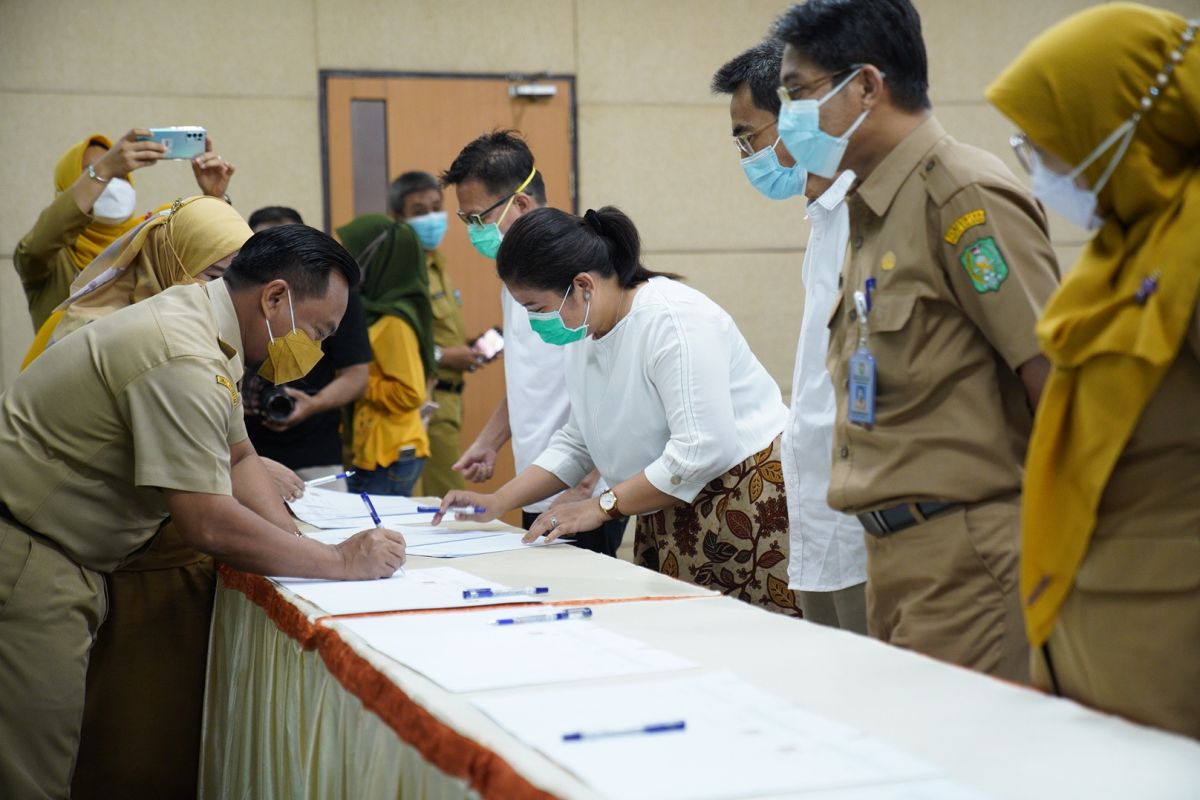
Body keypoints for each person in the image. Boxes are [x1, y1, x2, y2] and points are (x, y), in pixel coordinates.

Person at [0, 223, 406, 799]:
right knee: (31, 772)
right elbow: (206, 520)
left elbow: (239, 455)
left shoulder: (205, 327)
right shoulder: (182, 352)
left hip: (60, 551)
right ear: (274, 297)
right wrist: (337, 563)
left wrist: (292, 539)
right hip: (30, 555)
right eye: (318, 331)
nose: (315, 351)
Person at [772, 0, 1061, 680]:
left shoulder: (961, 195)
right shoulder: (872, 207)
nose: (791, 122)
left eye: (800, 94)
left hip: (968, 553)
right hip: (892, 557)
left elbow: (1054, 380)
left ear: (867, 86)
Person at [988, 6, 1200, 737]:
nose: (1036, 163)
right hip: (1086, 640)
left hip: (1166, 651)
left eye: (1045, 141)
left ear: (1122, 126)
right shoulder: (1117, 256)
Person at [435, 206, 795, 614]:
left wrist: (600, 506)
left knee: (744, 639)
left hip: (743, 499)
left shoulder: (673, 321)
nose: (535, 322)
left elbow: (703, 448)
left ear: (583, 285)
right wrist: (499, 501)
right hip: (664, 503)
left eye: (537, 307)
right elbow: (578, 441)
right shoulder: (586, 331)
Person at [18, 195, 254, 799]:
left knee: (150, 743)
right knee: (67, 754)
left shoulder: (197, 330)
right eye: (216, 275)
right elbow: (203, 508)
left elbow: (235, 453)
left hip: (130, 559)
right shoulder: (150, 337)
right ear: (170, 261)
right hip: (85, 560)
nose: (230, 292)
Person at [713, 40, 867, 632]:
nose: (746, 153)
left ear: (799, 118)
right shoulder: (824, 217)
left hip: (863, 513)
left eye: (748, 134)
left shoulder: (865, 213)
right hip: (818, 510)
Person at [441, 131, 625, 556]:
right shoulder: (517, 276)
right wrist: (490, 440)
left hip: (583, 490)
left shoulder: (577, 276)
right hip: (538, 481)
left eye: (477, 218)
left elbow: (616, 391)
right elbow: (531, 374)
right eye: (465, 221)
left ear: (519, 204)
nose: (473, 231)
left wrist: (584, 486)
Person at [14, 127, 234, 331]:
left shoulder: (147, 237)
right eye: (91, 171)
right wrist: (105, 168)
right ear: (68, 186)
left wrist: (215, 198)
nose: (110, 181)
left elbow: (211, 263)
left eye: (119, 175)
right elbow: (35, 247)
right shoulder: (52, 257)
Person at [243, 206, 371, 495]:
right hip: (246, 448)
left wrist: (313, 404)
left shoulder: (336, 299)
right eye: (265, 249)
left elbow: (357, 375)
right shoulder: (243, 302)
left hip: (315, 454)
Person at [388, 170, 488, 497]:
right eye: (419, 211)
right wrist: (445, 355)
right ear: (397, 217)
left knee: (442, 498)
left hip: (449, 402)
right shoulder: (400, 271)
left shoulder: (436, 264)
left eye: (436, 207)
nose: (432, 218)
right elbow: (391, 346)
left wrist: (465, 349)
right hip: (423, 402)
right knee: (450, 501)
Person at [337, 215, 435, 497]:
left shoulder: (394, 321)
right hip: (375, 449)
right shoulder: (374, 310)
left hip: (390, 455)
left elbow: (410, 393)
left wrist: (354, 380)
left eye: (350, 251)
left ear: (377, 257)